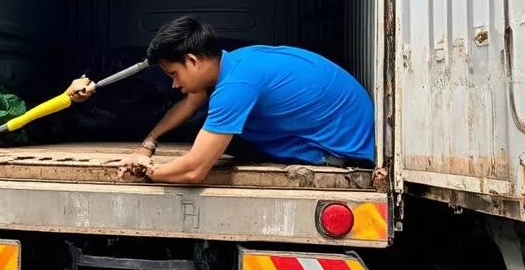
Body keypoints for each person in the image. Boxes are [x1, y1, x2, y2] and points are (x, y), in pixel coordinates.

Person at [68, 16, 375, 185]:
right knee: (207, 118)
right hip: (339, 130)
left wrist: (145, 171)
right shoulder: (235, 62)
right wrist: (149, 142)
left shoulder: (237, 86)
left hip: (341, 151)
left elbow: (193, 171)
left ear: (192, 60)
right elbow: (190, 102)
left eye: (173, 74)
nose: (174, 85)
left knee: (215, 134)